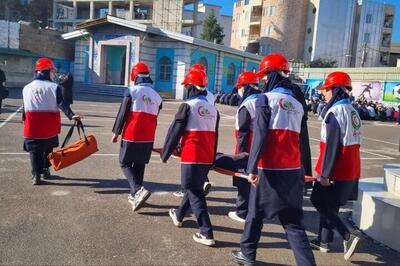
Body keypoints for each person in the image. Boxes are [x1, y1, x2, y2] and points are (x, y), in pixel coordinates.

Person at [231, 53, 316, 266]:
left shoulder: (264, 99)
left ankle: (247, 254)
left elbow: (260, 134)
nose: (262, 81)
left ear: (270, 76)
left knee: (254, 214)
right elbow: (301, 140)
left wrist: (251, 168)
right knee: (293, 222)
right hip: (293, 169)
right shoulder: (297, 103)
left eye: (264, 77)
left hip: (269, 169)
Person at [161, 69, 219, 246]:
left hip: (192, 155)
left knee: (194, 191)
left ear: (191, 87)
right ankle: (179, 215)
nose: (185, 89)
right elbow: (215, 135)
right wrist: (212, 159)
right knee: (192, 187)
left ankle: (206, 232)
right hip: (206, 155)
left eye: (186, 86)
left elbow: (175, 131)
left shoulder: (187, 106)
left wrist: (166, 153)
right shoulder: (212, 109)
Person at [310, 71, 361, 260]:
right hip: (351, 166)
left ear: (336, 90)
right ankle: (323, 241)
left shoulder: (335, 112)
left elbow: (332, 146)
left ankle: (347, 233)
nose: (324, 93)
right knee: (330, 205)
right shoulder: (352, 110)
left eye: (326, 90)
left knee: (317, 200)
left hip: (335, 168)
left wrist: (324, 173)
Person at [111, 62, 162, 211]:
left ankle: (138, 190)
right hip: (148, 136)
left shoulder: (131, 91)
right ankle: (135, 195)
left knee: (124, 162)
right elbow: (155, 116)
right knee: (140, 164)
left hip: (132, 134)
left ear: (134, 76)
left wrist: (116, 132)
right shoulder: (158, 97)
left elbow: (123, 113)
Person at [22, 58, 81, 185]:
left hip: (31, 125)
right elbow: (61, 103)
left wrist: (24, 121)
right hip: (49, 126)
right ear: (47, 71)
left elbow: (25, 106)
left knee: (34, 150)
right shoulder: (54, 87)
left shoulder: (26, 88)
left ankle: (35, 175)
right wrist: (72, 115)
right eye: (52, 71)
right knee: (48, 148)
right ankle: (45, 169)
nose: (53, 74)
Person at [173, 64, 213, 198]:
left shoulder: (191, 100)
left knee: (189, 162)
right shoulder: (210, 95)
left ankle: (186, 189)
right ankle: (203, 181)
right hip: (207, 131)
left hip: (193, 131)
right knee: (201, 161)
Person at [229, 71, 260, 223]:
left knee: (244, 179)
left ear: (245, 87)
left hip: (248, 148)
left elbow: (242, 132)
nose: (239, 90)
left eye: (240, 87)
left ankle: (242, 211)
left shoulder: (247, 104)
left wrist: (240, 155)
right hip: (261, 149)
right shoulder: (262, 99)